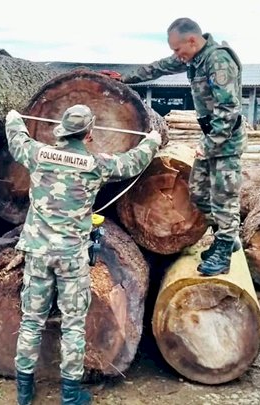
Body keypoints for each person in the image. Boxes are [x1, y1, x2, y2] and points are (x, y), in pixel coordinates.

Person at [4, 105, 161, 405]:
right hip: (72, 257)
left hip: (37, 253)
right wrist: (152, 140)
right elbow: (133, 162)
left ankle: (24, 391)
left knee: (32, 320)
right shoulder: (95, 164)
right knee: (73, 324)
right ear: (89, 134)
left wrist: (13, 117)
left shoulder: (38, 154)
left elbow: (16, 139)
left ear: (63, 131)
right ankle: (70, 394)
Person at [102, 17, 245, 276]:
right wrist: (124, 78)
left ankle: (223, 252)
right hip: (212, 135)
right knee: (199, 192)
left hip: (226, 139)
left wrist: (212, 142)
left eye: (178, 49)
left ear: (192, 40)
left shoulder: (218, 60)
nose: (176, 55)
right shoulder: (193, 57)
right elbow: (158, 68)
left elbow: (229, 108)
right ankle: (227, 236)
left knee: (224, 195)